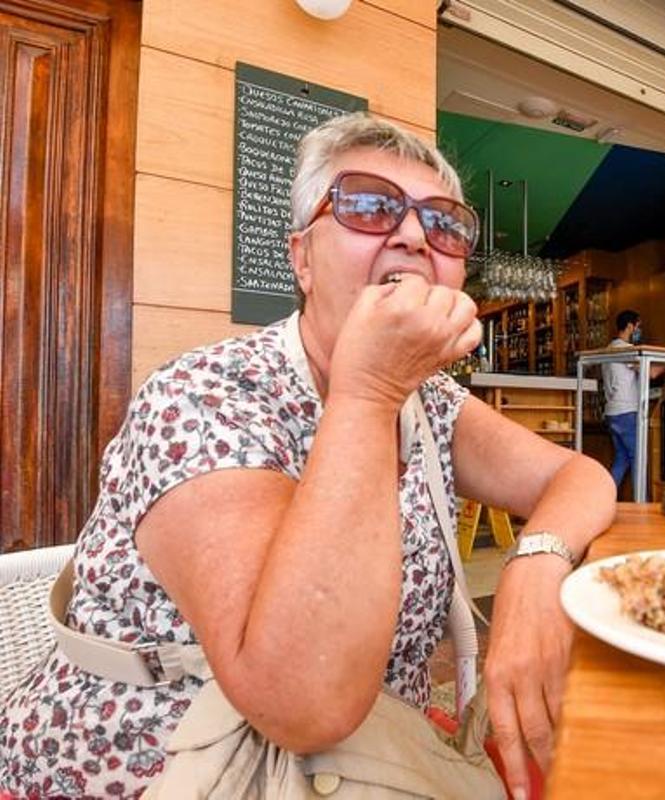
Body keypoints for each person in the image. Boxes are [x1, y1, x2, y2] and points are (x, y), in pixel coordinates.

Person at [0, 113, 616, 799]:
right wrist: (369, 390)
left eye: (443, 223)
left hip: (380, 760)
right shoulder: (204, 394)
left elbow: (579, 475)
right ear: (302, 259)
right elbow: (303, 704)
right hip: (154, 765)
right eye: (371, 206)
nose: (413, 235)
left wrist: (533, 572)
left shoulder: (432, 399)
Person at [601, 310, 664, 493]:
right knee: (638, 458)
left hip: (612, 413)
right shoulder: (624, 349)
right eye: (638, 326)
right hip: (626, 412)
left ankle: (604, 497)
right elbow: (651, 373)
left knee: (622, 458)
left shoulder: (609, 348)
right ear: (630, 326)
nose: (639, 330)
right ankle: (640, 504)